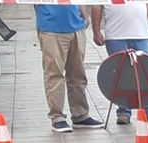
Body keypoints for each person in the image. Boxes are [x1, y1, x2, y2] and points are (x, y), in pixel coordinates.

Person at [90, 2, 148, 124]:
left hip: (140, 35)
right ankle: (123, 111)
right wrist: (96, 31)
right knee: (121, 74)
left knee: (144, 73)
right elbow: (96, 6)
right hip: (116, 36)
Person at [36, 3, 102, 132]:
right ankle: (57, 117)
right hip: (51, 28)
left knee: (78, 74)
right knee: (54, 74)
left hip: (76, 27)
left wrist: (84, 14)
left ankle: (80, 115)